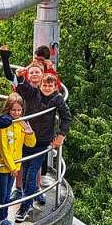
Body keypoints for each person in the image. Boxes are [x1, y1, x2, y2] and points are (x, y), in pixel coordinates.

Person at [0, 47, 51, 223]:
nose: (35, 74)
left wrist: (60, 134)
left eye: (39, 72)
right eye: (33, 72)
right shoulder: (27, 88)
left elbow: (60, 109)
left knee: (31, 173)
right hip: (24, 135)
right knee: (22, 167)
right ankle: (22, 193)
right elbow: (12, 77)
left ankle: (27, 201)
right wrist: (5, 57)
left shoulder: (50, 91)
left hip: (40, 139)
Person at [25, 71, 71, 209]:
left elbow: (66, 117)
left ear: (55, 87)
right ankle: (33, 194)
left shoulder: (57, 98)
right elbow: (20, 85)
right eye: (44, 85)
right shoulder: (34, 94)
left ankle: (25, 205)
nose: (47, 88)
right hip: (28, 137)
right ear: (40, 85)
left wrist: (60, 136)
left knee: (32, 172)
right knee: (26, 170)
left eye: (50, 85)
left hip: (43, 140)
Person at [0, 93, 35, 225]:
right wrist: (12, 167)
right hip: (4, 166)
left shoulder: (21, 123)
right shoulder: (3, 124)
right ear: (8, 109)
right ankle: (1, 219)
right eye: (13, 110)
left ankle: (4, 218)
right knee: (2, 193)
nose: (16, 113)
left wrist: (29, 132)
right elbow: (3, 148)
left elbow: (30, 144)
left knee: (7, 193)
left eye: (19, 110)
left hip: (15, 165)